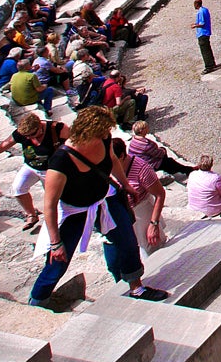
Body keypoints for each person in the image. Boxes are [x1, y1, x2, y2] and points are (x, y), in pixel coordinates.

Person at [29, 106, 166, 306]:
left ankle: (137, 287)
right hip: (74, 211)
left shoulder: (104, 139)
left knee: (127, 241)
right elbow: (49, 206)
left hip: (104, 199)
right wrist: (55, 242)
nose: (107, 135)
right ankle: (38, 300)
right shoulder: (60, 162)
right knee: (59, 259)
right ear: (90, 132)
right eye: (103, 131)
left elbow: (112, 160)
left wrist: (126, 185)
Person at [0, 111, 66, 233]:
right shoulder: (22, 134)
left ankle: (58, 226)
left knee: (55, 200)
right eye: (27, 136)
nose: (29, 138)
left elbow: (76, 144)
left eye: (33, 135)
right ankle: (31, 215)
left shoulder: (57, 129)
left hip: (50, 170)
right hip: (31, 167)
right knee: (18, 189)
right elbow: (1, 147)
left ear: (40, 125)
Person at [116, 136, 166, 258]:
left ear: (121, 156)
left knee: (153, 253)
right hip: (124, 218)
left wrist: (153, 224)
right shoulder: (112, 170)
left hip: (141, 214)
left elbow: (160, 194)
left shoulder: (142, 169)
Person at [128, 121, 193, 178]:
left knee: (165, 156)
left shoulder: (133, 141)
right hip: (148, 164)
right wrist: (163, 151)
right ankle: (187, 170)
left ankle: (172, 168)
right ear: (142, 130)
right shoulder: (146, 144)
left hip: (140, 161)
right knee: (169, 161)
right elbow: (159, 154)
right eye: (146, 128)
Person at [194, 0, 216, 73]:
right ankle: (212, 63)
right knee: (208, 49)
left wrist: (195, 26)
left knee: (205, 51)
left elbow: (202, 23)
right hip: (206, 32)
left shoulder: (201, 12)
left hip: (202, 33)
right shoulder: (205, 10)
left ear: (197, 4)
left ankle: (209, 66)